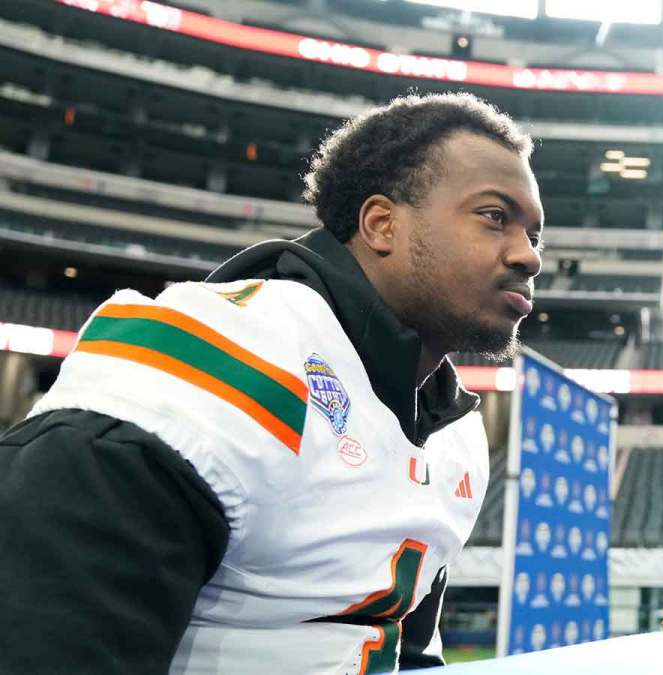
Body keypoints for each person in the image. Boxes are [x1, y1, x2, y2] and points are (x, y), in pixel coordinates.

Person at [0, 92, 543, 673]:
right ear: (382, 224)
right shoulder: (223, 351)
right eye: (494, 216)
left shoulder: (454, 433)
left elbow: (402, 652)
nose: (528, 257)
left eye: (535, 235)